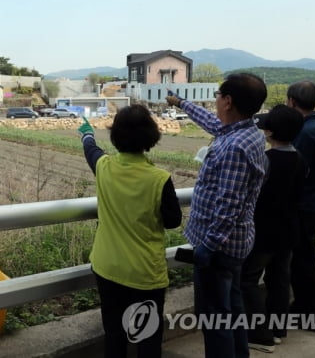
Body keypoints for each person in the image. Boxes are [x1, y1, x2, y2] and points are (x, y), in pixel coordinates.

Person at [165, 72, 268, 358]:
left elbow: (229, 204)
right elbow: (213, 123)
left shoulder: (235, 146)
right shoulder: (246, 131)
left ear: (228, 101)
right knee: (231, 307)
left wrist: (208, 247)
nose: (215, 102)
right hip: (236, 244)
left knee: (214, 317)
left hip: (220, 247)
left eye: (217, 96)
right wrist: (182, 103)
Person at [78, 106, 182, 358]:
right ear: (151, 137)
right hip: (144, 273)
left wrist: (86, 133)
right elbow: (172, 221)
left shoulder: (104, 167)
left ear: (115, 136)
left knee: (114, 334)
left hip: (108, 267)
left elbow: (91, 151)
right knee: (146, 335)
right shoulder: (159, 178)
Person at [241, 105, 308, 353]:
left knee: (247, 280)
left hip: (264, 232)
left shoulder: (266, 161)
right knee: (279, 278)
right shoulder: (300, 160)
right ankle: (278, 329)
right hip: (289, 230)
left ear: (268, 132)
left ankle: (260, 335)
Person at [286, 80, 315, 332]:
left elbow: (296, 173)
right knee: (306, 259)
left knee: (302, 262)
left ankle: (309, 313)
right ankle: (306, 308)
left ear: (292, 102)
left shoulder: (304, 133)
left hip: (303, 206)